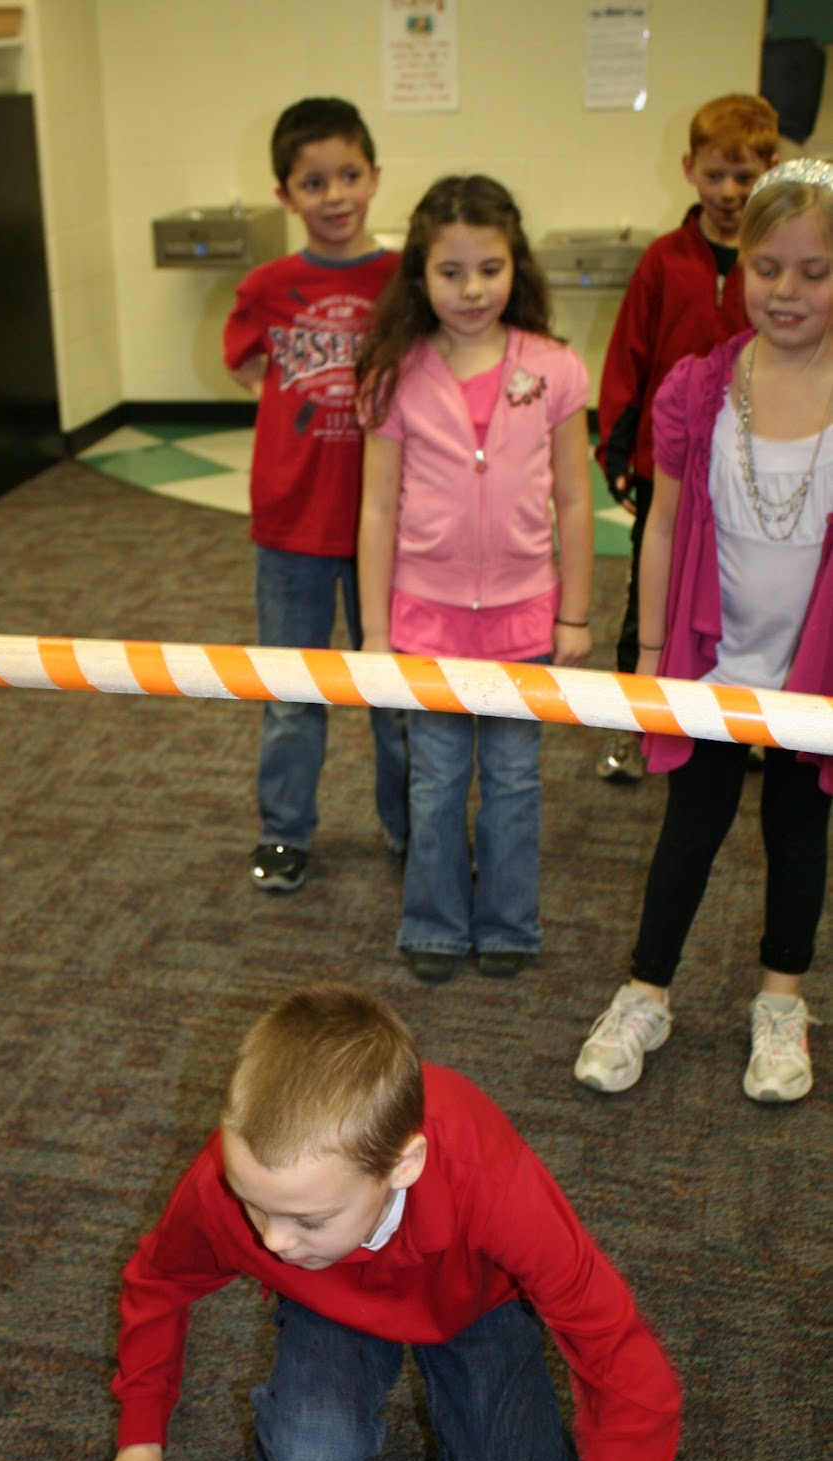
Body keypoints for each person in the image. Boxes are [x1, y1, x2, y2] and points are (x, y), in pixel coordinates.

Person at [93, 983, 681, 1461]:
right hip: (329, 1298)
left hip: (475, 1305)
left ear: (405, 1166)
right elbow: (159, 1281)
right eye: (255, 1207)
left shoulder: (488, 1182)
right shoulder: (238, 1184)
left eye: (308, 1219)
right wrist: (139, 1436)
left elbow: (628, 1366)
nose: (272, 1243)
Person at [574, 158, 833, 1104]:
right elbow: (664, 523)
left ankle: (780, 1001)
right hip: (712, 662)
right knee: (690, 828)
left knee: (798, 836)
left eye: (814, 270)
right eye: (767, 268)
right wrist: (649, 659)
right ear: (738, 271)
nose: (787, 290)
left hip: (816, 678)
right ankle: (646, 991)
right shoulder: (699, 388)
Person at [356, 176, 593, 985]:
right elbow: (378, 509)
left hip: (524, 619)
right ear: (419, 276)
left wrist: (576, 615)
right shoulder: (396, 372)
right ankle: (431, 918)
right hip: (425, 623)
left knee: (514, 780)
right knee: (435, 779)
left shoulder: (553, 370)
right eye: (449, 272)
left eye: (488, 269)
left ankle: (507, 923)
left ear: (514, 267)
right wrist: (374, 633)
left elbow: (572, 497)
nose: (470, 290)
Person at [223, 97, 408, 894]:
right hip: (292, 524)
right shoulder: (268, 285)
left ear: (373, 176)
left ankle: (410, 827)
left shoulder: (404, 278)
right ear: (284, 195)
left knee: (395, 692)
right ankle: (283, 831)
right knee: (292, 694)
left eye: (347, 176)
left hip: (390, 529)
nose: (332, 196)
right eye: (311, 182)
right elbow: (245, 366)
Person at [595, 93, 778, 783]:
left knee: (740, 596)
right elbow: (626, 357)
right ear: (688, 170)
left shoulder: (773, 264)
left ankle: (740, 721)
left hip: (753, 472)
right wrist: (617, 447)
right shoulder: (662, 262)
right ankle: (631, 725)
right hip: (663, 465)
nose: (729, 193)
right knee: (650, 595)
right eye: (715, 175)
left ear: (769, 170)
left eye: (745, 176)